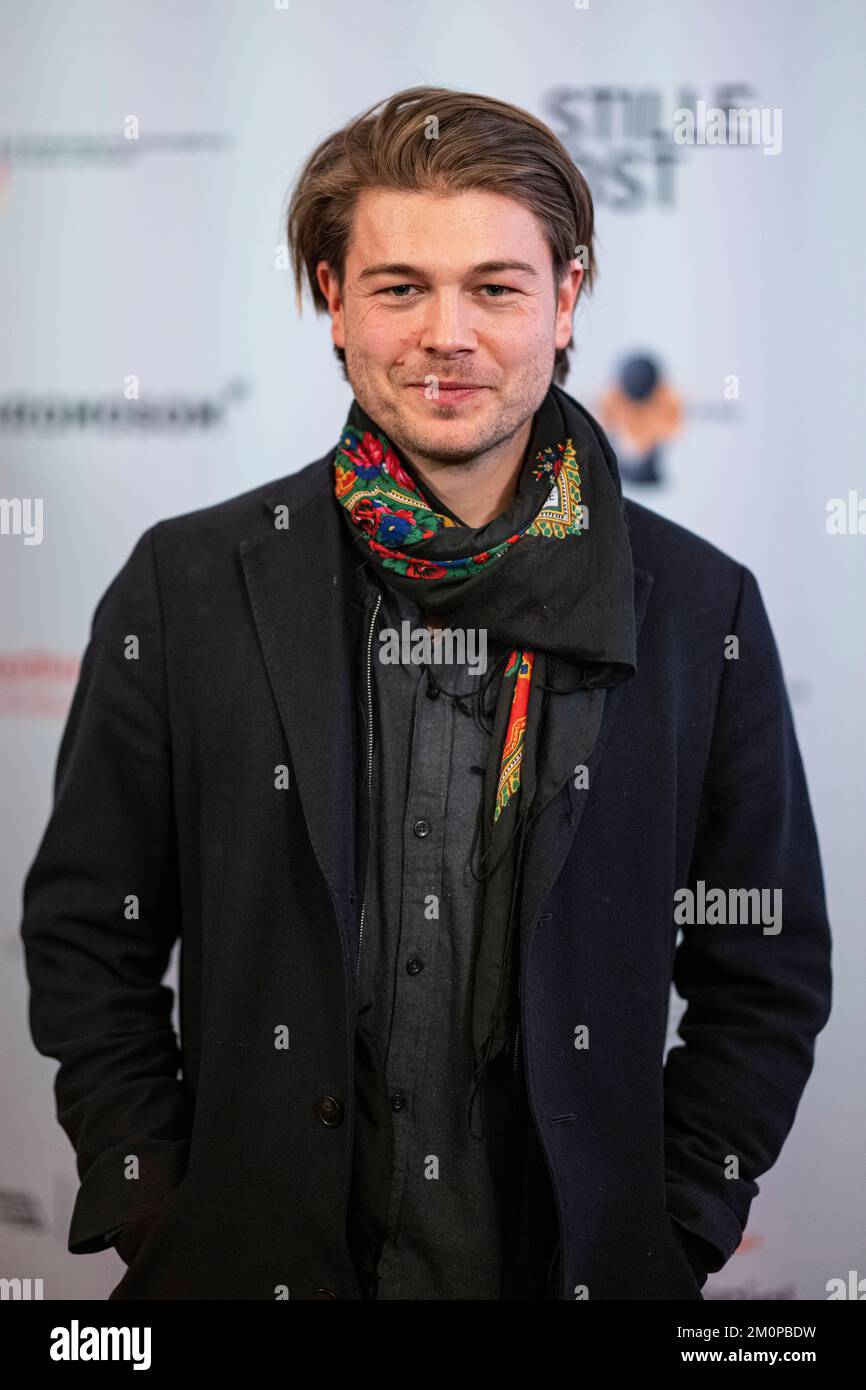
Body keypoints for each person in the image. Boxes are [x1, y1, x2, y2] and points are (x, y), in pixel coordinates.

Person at [21, 86, 832, 1301]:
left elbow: (761, 967)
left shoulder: (695, 607)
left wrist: (672, 1225)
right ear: (331, 300)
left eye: (495, 288)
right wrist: (166, 1211)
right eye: (399, 286)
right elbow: (90, 930)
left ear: (564, 304)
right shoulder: (185, 584)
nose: (444, 333)